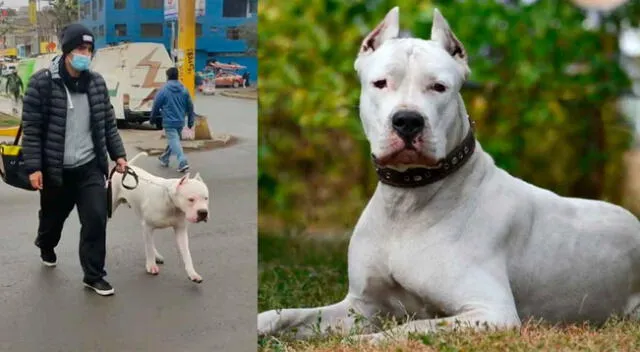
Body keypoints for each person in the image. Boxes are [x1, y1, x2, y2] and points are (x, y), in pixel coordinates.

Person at [21, 24, 128, 296]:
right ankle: (46, 243)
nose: (86, 54)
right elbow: (31, 129)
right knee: (52, 220)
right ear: (67, 51)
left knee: (95, 219)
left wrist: (119, 155)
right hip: (56, 170)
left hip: (89, 168)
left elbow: (107, 124)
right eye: (81, 48)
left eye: (90, 49)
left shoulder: (96, 83)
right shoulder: (42, 83)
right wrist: (34, 167)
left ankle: (93, 275)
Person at [150, 67, 194, 172]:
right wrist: (190, 121)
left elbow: (156, 105)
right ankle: (164, 158)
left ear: (167, 76)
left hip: (169, 121)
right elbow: (190, 106)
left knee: (174, 140)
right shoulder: (184, 89)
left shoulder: (164, 90)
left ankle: (182, 161)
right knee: (174, 140)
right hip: (180, 121)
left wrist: (152, 118)